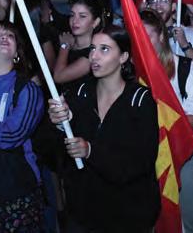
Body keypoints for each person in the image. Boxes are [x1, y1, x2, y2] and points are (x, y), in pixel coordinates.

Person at [47, 25, 160, 232]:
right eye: (92, 48)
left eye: (104, 49)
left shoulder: (140, 100)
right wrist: (61, 123)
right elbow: (56, 151)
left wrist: (91, 151)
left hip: (127, 212)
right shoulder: (80, 92)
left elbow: (140, 161)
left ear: (123, 57)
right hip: (83, 210)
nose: (94, 56)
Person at [141, 9, 193, 233]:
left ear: (162, 36)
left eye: (147, 36)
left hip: (181, 154)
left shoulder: (185, 68)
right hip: (143, 156)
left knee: (185, 220)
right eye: (137, 36)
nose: (142, 42)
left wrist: (162, 117)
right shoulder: (129, 72)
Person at [0, 21, 44, 231]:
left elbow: (11, 135)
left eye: (11, 36)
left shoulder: (27, 90)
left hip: (15, 195)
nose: (5, 37)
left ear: (16, 53)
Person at [53, 0, 102, 95]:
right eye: (72, 15)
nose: (75, 21)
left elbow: (58, 77)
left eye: (82, 16)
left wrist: (64, 46)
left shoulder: (92, 54)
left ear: (95, 22)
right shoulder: (68, 43)